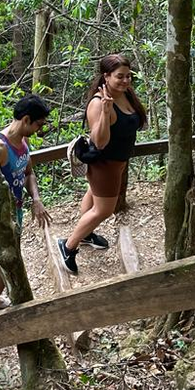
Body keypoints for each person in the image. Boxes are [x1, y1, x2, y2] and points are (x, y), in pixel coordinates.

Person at [58, 54, 147, 275]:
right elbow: (99, 141)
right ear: (106, 76)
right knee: (104, 210)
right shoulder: (98, 103)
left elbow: (136, 122)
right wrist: (106, 114)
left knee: (93, 196)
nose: (125, 81)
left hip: (118, 163)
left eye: (128, 76)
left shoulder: (126, 95)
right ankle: (68, 246)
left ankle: (86, 234)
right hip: (104, 165)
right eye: (119, 77)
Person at [0, 94, 52, 316]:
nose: (40, 129)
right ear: (26, 120)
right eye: (39, 124)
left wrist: (36, 199)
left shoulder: (23, 142)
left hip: (15, 211)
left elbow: (28, 173)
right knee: (7, 265)